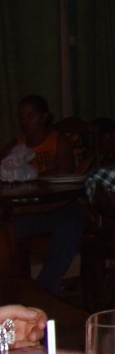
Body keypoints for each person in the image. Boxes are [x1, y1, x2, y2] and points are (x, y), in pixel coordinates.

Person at [1, 95, 86, 295]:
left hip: (58, 207)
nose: (24, 122)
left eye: (30, 116)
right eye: (21, 117)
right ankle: (11, 291)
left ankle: (44, 290)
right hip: (27, 211)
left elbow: (64, 171)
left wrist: (32, 176)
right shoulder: (16, 147)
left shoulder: (58, 141)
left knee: (73, 221)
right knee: (5, 230)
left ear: (44, 117)